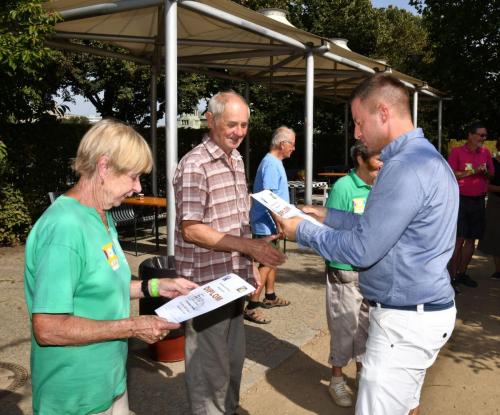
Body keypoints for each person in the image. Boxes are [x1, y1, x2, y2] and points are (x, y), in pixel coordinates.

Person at [273, 73, 458, 415]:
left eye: (360, 122)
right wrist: (328, 216)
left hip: (403, 323)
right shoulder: (425, 158)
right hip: (419, 314)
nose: (357, 133)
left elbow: (362, 249)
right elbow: (383, 229)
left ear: (383, 113)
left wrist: (302, 232)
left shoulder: (403, 167)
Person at [24, 119, 198, 415]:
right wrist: (134, 326)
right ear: (104, 167)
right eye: (133, 177)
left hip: (110, 380)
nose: (137, 187)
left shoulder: (100, 216)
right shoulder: (64, 229)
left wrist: (156, 287)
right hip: (76, 395)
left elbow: (99, 284)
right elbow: (49, 328)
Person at [173, 90, 286, 414]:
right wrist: (247, 246)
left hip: (233, 281)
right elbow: (191, 228)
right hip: (205, 285)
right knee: (209, 368)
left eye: (245, 125)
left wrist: (250, 261)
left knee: (232, 360)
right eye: (232, 124)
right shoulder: (195, 165)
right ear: (211, 120)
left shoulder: (235, 158)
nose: (239, 132)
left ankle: (229, 408)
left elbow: (238, 218)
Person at [324, 142, 382, 408]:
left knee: (367, 329)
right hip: (345, 272)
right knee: (343, 327)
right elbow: (331, 230)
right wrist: (339, 266)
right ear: (360, 158)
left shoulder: (381, 187)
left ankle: (362, 375)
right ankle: (336, 379)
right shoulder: (344, 187)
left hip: (372, 272)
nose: (383, 162)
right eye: (379, 157)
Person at [245, 126, 295, 324]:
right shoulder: (271, 164)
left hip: (270, 223)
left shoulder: (273, 162)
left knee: (272, 260)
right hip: (267, 224)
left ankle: (270, 296)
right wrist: (280, 223)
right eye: (292, 144)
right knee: (266, 263)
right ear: (282, 144)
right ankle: (251, 306)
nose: (293, 148)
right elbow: (269, 198)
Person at [448, 122, 494, 290]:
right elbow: (452, 174)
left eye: (485, 135)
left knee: (471, 240)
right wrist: (474, 171)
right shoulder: (457, 152)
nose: (484, 138)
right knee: (458, 240)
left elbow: (491, 175)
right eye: (481, 135)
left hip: (479, 200)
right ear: (471, 135)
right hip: (461, 200)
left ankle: (462, 273)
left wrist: (485, 172)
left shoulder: (486, 153)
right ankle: (451, 277)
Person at [478, 138, 500, 279]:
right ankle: (498, 270)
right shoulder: (492, 163)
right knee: (495, 235)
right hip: (495, 203)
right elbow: (484, 185)